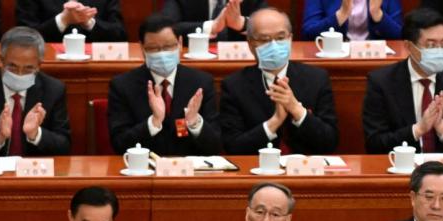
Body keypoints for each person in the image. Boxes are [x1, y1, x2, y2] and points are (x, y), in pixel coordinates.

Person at [219, 7, 339, 154]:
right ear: (250, 44)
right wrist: (274, 122)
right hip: (258, 170)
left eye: (281, 38)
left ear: (290, 39)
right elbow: (233, 147)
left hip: (306, 170)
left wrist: (297, 110)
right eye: (265, 40)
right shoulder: (234, 85)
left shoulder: (317, 78)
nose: (274, 45)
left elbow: (330, 142)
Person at [362, 8, 443, 154]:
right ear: (409, 47)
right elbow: (374, 145)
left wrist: (442, 127)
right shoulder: (381, 83)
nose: (439, 50)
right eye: (430, 45)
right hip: (400, 170)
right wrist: (418, 129)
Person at [107, 13, 221, 156]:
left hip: (190, 173)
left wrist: (195, 122)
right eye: (153, 48)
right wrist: (153, 122)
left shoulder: (201, 83)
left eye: (168, 47)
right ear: (142, 48)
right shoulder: (122, 86)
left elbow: (216, 146)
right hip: (145, 171)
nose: (162, 54)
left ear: (180, 43)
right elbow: (119, 144)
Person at [0, 25, 71, 156]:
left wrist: (36, 134)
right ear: (1, 60)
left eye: (28, 68)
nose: (20, 74)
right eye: (12, 67)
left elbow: (64, 146)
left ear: (39, 65)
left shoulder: (54, 90)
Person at [16, 0, 125, 42]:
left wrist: (88, 22)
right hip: (45, 65)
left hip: (98, 64)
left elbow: (120, 35)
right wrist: (62, 20)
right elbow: (24, 38)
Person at [162, 0, 263, 40]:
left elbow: (273, 25)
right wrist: (211, 27)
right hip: (194, 61)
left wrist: (243, 24)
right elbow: (166, 26)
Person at [301, 0, 403, 40]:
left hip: (376, 58)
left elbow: (401, 35)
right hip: (334, 57)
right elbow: (308, 33)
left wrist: (378, 14)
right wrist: (341, 15)